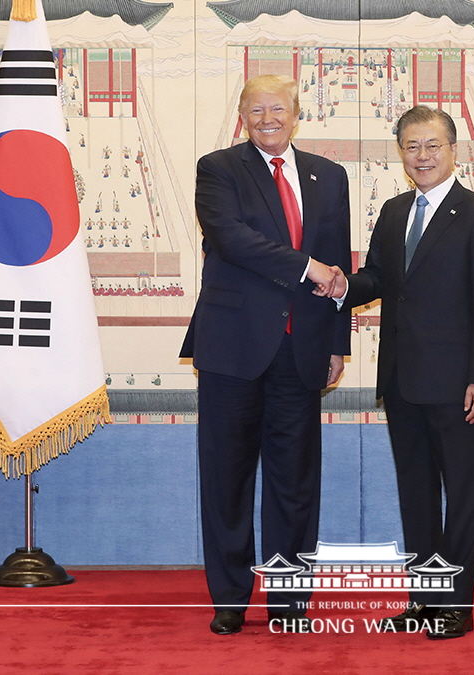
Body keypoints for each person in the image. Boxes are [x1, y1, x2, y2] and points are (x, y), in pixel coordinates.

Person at [320, 106, 474, 639]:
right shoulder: (395, 208)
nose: (421, 156)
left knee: (464, 498)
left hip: (459, 387)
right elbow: (379, 277)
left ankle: (457, 608)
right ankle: (424, 601)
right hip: (403, 383)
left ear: (454, 151)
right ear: (400, 152)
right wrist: (340, 286)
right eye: (411, 146)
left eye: (432, 146)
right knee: (418, 497)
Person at [180, 74, 352, 636]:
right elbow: (230, 239)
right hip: (232, 348)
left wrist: (337, 342)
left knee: (294, 480)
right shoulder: (219, 168)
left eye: (278, 108)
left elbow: (338, 268)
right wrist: (307, 269)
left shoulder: (331, 177)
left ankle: (290, 600)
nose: (267, 118)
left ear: (297, 113)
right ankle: (229, 597)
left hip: (301, 350)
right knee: (226, 476)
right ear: (242, 115)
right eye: (256, 109)